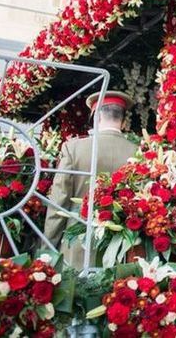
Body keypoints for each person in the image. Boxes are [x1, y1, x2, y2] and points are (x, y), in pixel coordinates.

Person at [43, 90, 138, 270]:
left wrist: (47, 247)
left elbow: (59, 202)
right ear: (124, 122)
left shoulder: (73, 149)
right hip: (122, 250)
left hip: (78, 245)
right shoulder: (138, 152)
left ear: (96, 116)